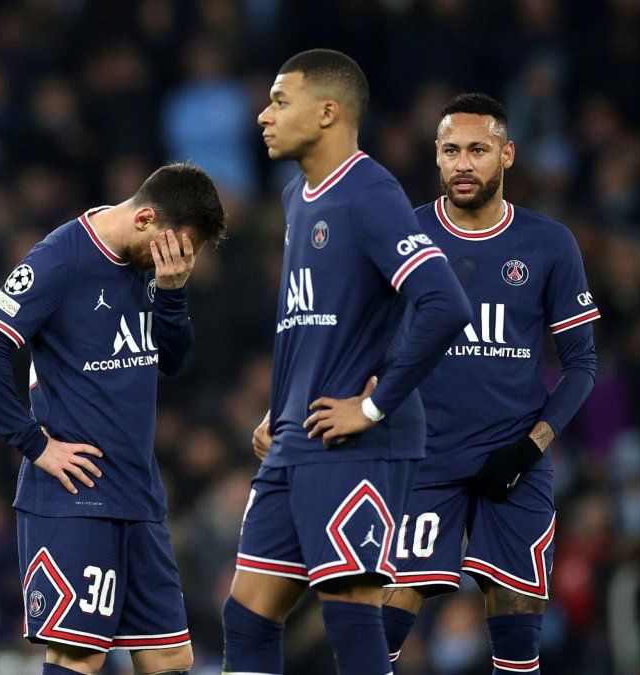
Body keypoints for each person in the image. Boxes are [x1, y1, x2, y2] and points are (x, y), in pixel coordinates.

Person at [223, 49, 471, 675]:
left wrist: (373, 404)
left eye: (280, 101)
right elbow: (315, 320)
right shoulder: (296, 197)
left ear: (328, 112)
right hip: (298, 434)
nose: (263, 116)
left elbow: (444, 303)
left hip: (358, 440)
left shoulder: (369, 193)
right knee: (247, 614)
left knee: (349, 610)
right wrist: (277, 408)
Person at [0, 163, 225, 675]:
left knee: (171, 657)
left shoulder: (157, 270)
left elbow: (172, 360)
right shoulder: (61, 259)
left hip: (138, 492)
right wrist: (34, 444)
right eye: (171, 248)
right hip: (74, 498)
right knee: (80, 655)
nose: (174, 260)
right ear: (146, 218)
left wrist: (173, 294)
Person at [380, 93, 600, 673]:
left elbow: (581, 364)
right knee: (388, 607)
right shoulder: (404, 234)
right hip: (424, 453)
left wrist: (532, 446)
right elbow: (355, 337)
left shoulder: (549, 243)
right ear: (436, 157)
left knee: (516, 615)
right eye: (451, 150)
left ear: (506, 154)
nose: (463, 163)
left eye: (478, 150)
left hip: (515, 457)